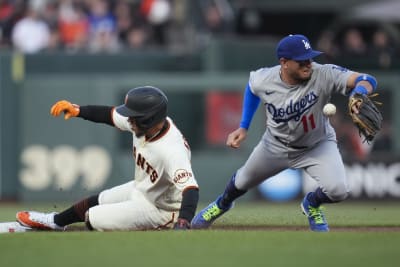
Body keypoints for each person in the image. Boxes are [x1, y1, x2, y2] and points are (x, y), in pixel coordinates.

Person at [191, 34, 378, 232]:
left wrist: (359, 93)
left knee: (339, 191)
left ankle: (312, 204)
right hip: (274, 145)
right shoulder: (264, 78)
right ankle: (221, 204)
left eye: (310, 58)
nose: (308, 64)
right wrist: (243, 126)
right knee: (241, 182)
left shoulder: (323, 73)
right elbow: (252, 89)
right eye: (301, 60)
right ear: (284, 63)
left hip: (317, 145)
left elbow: (367, 79)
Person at [16, 86, 199, 231]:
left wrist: (183, 222)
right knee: (98, 199)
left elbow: (191, 189)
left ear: (148, 119)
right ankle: (55, 221)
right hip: (144, 189)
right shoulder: (145, 126)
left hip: (162, 209)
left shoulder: (171, 150)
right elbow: (109, 115)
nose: (129, 120)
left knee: (94, 217)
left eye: (133, 117)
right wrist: (78, 110)